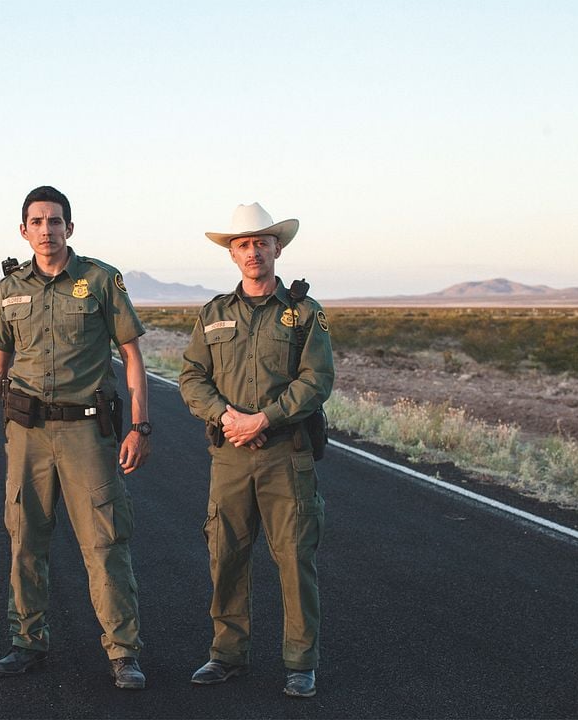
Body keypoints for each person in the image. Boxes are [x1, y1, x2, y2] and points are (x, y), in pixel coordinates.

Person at [0, 186, 152, 690]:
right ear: (23, 230)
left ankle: (123, 652)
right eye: (37, 221)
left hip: (87, 434)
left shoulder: (99, 281)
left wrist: (139, 425)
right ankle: (27, 643)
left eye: (55, 221)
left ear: (69, 228)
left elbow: (132, 355)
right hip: (26, 434)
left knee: (104, 542)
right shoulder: (8, 290)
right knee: (25, 541)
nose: (46, 230)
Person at [178, 202, 334, 698]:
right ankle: (226, 654)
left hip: (286, 454)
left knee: (293, 558)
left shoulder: (305, 313)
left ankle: (300, 661)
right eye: (242, 244)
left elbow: (317, 380)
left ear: (277, 248)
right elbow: (191, 377)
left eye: (261, 242)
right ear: (232, 254)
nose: (252, 251)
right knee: (225, 555)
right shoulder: (213, 315)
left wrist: (264, 418)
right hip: (230, 456)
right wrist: (228, 418)